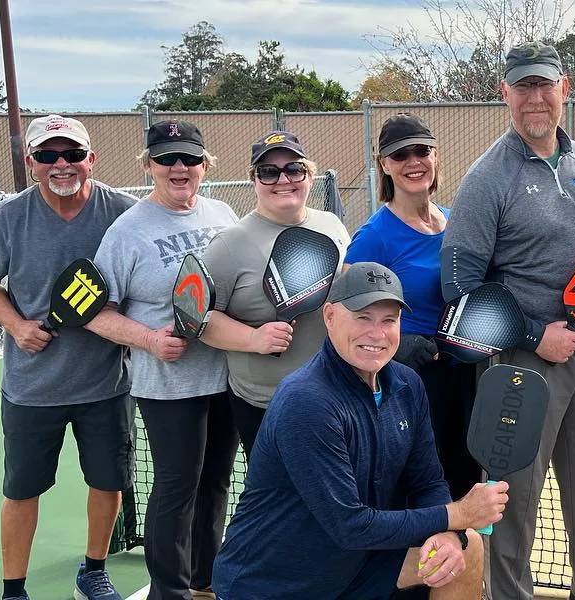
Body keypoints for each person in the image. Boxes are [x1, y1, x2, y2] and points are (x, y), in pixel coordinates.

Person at [440, 41, 575, 600]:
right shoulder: (486, 178)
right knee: (513, 496)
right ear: (504, 93)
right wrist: (532, 335)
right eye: (522, 86)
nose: (535, 97)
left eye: (544, 84)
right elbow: (461, 291)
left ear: (564, 88)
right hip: (520, 362)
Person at [212, 261, 508, 599]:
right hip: (275, 582)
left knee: (465, 549)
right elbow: (349, 526)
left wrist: (448, 533)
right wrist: (456, 514)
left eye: (389, 321)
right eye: (362, 317)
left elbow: (427, 481)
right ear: (330, 317)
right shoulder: (306, 401)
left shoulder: (408, 385)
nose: (376, 334)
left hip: (354, 566)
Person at [0, 115, 137, 600]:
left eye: (72, 154)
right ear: (31, 163)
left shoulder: (123, 213)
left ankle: (93, 571)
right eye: (47, 156)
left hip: (106, 384)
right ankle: (14, 590)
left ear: (91, 159)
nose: (61, 165)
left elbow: (136, 282)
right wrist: (18, 326)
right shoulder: (9, 217)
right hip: (30, 388)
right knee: (22, 491)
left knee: (108, 484)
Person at [85, 119, 238, 600]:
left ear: (205, 164)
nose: (179, 168)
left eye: (190, 158)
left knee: (215, 483)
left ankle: (204, 582)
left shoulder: (223, 213)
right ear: (148, 165)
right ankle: (168, 592)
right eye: (167, 158)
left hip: (227, 375)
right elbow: (93, 311)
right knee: (177, 487)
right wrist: (149, 339)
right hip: (169, 385)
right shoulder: (127, 230)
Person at [345, 113, 479, 499]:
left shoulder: (456, 221)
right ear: (385, 165)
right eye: (400, 155)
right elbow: (343, 313)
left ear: (435, 156)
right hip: (412, 382)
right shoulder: (375, 236)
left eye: (421, 151)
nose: (413, 162)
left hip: (466, 374)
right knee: (422, 494)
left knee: (466, 483)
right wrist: (397, 346)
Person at [199, 130, 350, 457]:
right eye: (268, 172)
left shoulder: (332, 226)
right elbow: (197, 319)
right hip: (268, 403)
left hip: (336, 393)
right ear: (254, 181)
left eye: (294, 169)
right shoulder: (229, 245)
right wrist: (253, 339)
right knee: (279, 503)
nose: (283, 179)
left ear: (309, 176)